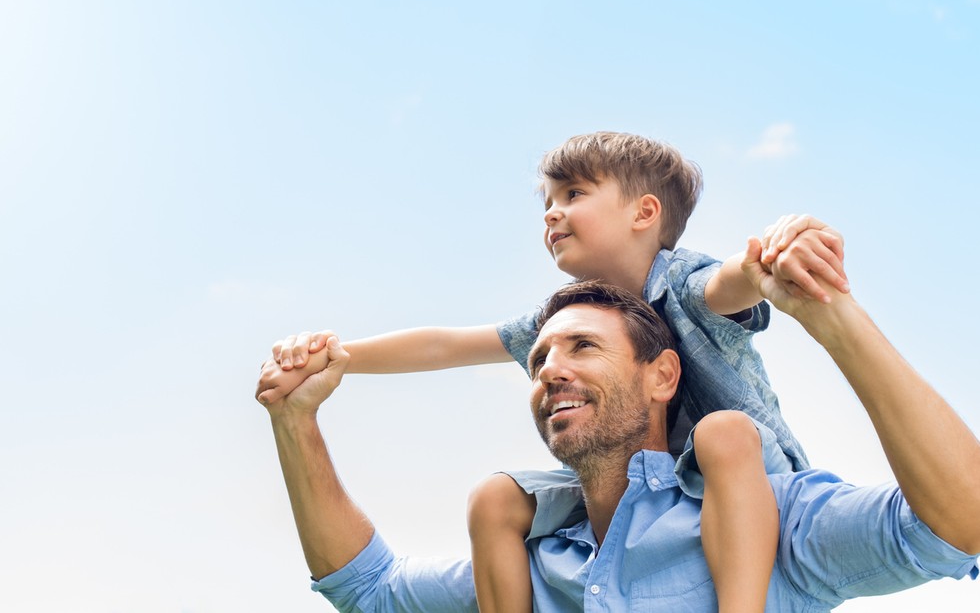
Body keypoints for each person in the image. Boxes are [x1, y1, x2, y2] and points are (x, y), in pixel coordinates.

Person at [261, 132, 848, 612]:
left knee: (722, 432)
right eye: (547, 200)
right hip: (636, 489)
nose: (552, 211)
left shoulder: (685, 282)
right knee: (496, 499)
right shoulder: (565, 323)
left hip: (740, 475)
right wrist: (339, 356)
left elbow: (730, 286)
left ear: (645, 212)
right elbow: (445, 346)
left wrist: (766, 259)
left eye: (572, 194)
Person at [255, 243, 980, 611]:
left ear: (664, 376)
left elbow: (958, 523)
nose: (549, 372)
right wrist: (296, 421)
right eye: (538, 360)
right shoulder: (530, 569)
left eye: (582, 348)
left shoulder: (763, 527)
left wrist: (832, 314)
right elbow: (369, 591)